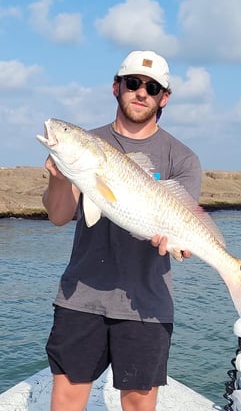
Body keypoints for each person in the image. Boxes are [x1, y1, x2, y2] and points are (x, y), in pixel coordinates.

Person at [43, 50, 202, 411]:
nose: (141, 92)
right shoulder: (87, 145)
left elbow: (182, 225)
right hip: (80, 297)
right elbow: (58, 215)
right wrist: (57, 177)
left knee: (138, 406)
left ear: (165, 97)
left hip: (147, 303)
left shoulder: (183, 158)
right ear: (116, 87)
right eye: (132, 83)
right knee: (66, 401)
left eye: (152, 87)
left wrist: (177, 242)